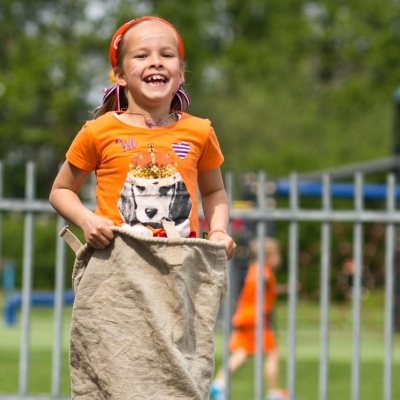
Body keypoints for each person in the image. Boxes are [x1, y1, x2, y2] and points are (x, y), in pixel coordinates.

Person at [49, 15, 236, 397]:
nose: (155, 62)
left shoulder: (200, 131)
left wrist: (218, 230)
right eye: (142, 55)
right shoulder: (99, 131)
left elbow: (214, 192)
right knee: (115, 366)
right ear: (118, 74)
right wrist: (87, 220)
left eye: (167, 55)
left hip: (180, 272)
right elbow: (61, 191)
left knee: (178, 371)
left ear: (181, 74)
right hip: (118, 271)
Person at [211, 238, 288, 400]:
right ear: (268, 257)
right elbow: (260, 283)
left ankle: (219, 385)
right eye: (277, 255)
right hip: (256, 321)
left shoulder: (256, 270)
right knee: (272, 353)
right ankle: (274, 393)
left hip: (246, 318)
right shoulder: (262, 272)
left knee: (242, 353)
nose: (279, 259)